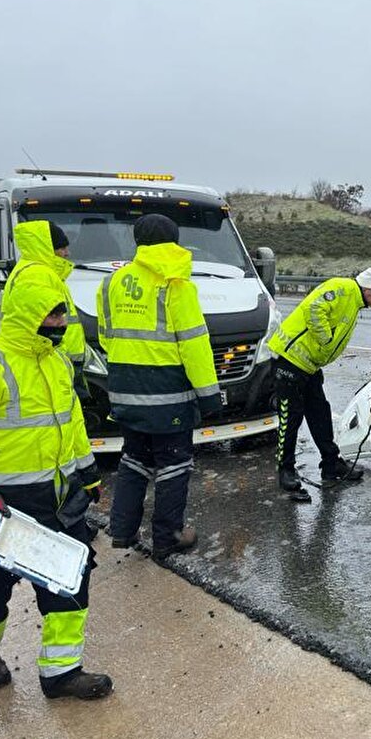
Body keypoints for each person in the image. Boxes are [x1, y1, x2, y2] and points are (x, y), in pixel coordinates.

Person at [0, 277, 111, 699]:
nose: (60, 322)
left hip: (58, 499)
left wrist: (88, 474)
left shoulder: (58, 362)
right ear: (27, 315)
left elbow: (71, 425)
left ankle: (61, 672)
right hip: (0, 505)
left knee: (70, 584)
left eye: (63, 313)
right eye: (51, 313)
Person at [97, 213, 221, 559]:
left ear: (138, 242)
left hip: (124, 389)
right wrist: (209, 395)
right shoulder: (176, 284)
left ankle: (122, 530)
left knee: (134, 458)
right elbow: (194, 345)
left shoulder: (111, 283)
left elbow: (106, 336)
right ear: (175, 241)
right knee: (174, 464)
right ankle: (168, 538)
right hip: (167, 394)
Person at [268, 268, 371, 496]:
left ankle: (331, 463)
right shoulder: (343, 288)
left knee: (320, 412)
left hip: (308, 365)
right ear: (368, 289)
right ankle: (286, 470)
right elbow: (314, 308)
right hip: (289, 360)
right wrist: (325, 339)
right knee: (291, 417)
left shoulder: (354, 301)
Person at [4, 220, 86, 370]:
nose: (67, 253)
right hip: (53, 359)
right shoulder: (38, 274)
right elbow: (42, 323)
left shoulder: (38, 272)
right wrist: (58, 356)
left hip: (57, 357)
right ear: (48, 248)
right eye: (62, 248)